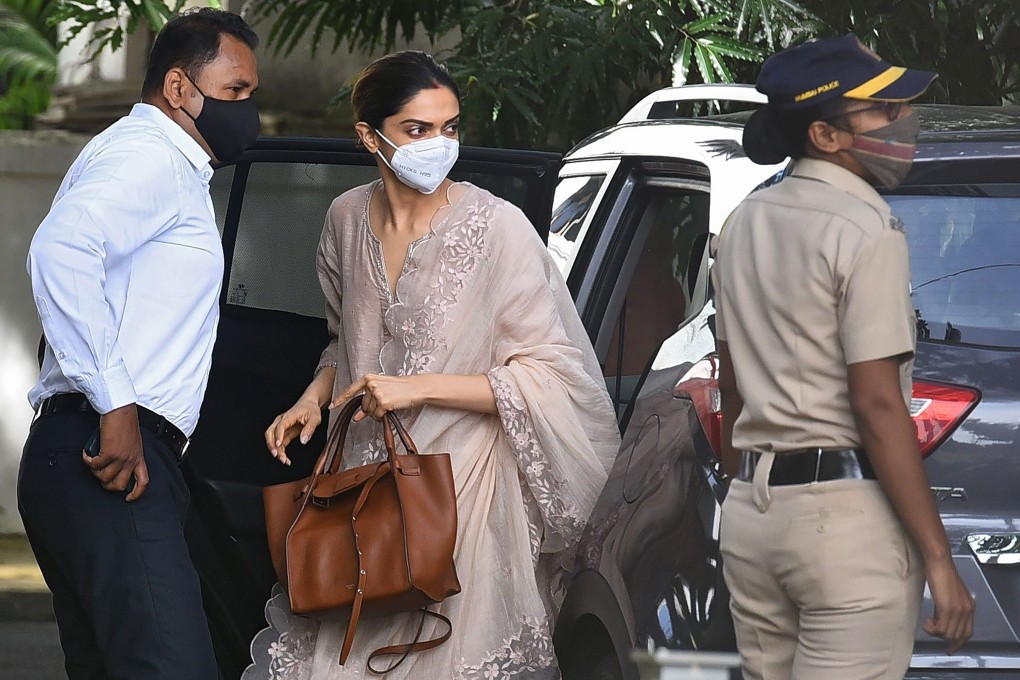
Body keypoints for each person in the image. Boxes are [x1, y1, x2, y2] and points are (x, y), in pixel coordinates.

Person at [243, 50, 620, 679]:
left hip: (464, 492)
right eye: (418, 130)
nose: (439, 144)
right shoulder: (342, 218)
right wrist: (312, 397)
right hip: (365, 493)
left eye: (450, 127)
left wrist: (417, 389)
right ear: (370, 136)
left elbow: (554, 374)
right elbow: (348, 342)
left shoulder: (498, 228)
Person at [714, 34, 975, 679]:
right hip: (843, 527)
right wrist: (939, 560)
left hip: (753, 516)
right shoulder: (865, 230)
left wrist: (748, 479)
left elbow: (733, 383)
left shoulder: (743, 223)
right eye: (882, 113)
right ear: (826, 136)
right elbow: (878, 402)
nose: (901, 124)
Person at [19, 8, 260, 679]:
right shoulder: (148, 155)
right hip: (111, 457)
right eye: (236, 91)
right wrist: (116, 406)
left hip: (96, 455)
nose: (249, 110)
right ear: (181, 89)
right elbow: (61, 251)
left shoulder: (157, 162)